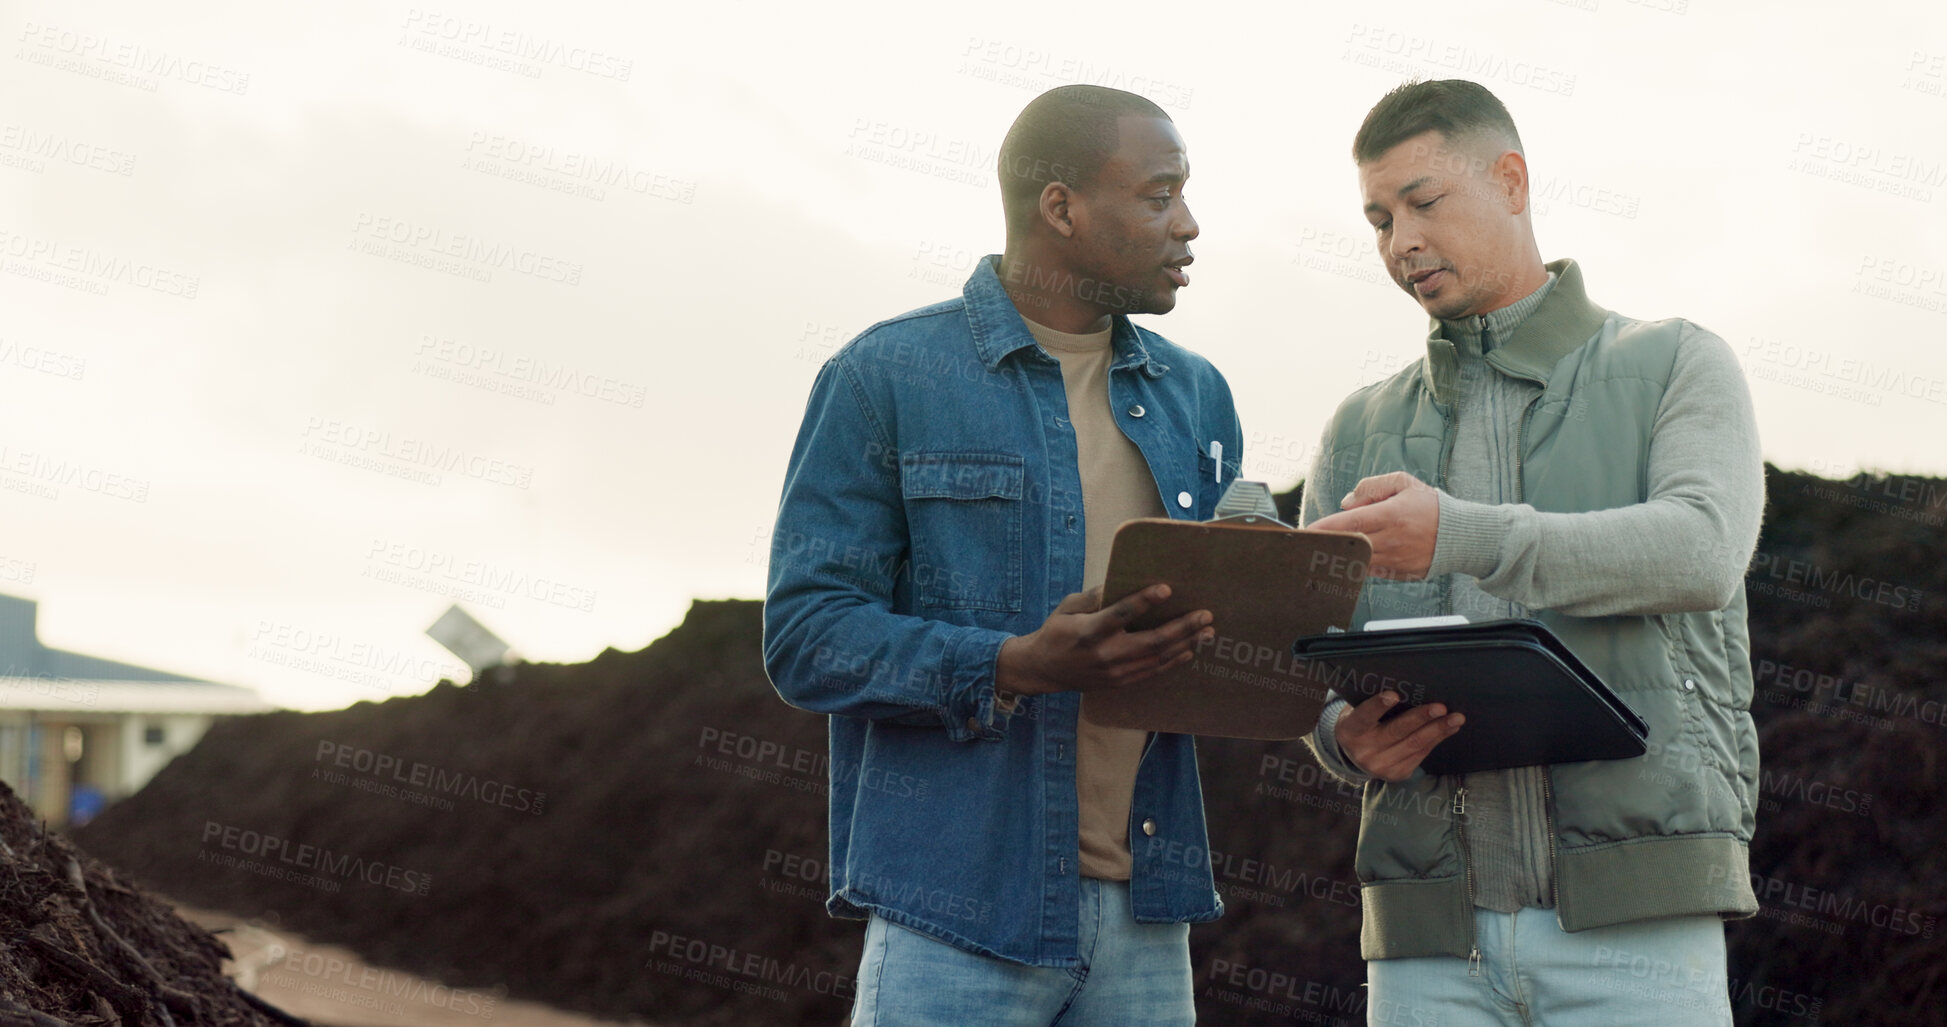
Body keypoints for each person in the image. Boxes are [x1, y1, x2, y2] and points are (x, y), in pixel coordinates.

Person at [764, 84, 1242, 1026]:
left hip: (1149, 915)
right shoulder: (884, 377)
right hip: (956, 909)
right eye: (1158, 194)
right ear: (1059, 206)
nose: (1188, 225)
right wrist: (1012, 663)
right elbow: (806, 635)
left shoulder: (1198, 397)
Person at [1300, 78, 1763, 1025]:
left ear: (1511, 180)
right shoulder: (1356, 426)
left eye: (1423, 203)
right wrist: (1337, 740)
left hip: (1641, 928)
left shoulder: (1677, 360)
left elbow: (1701, 550)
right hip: (1426, 943)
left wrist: (1459, 534)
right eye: (1379, 219)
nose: (1401, 243)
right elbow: (1298, 645)